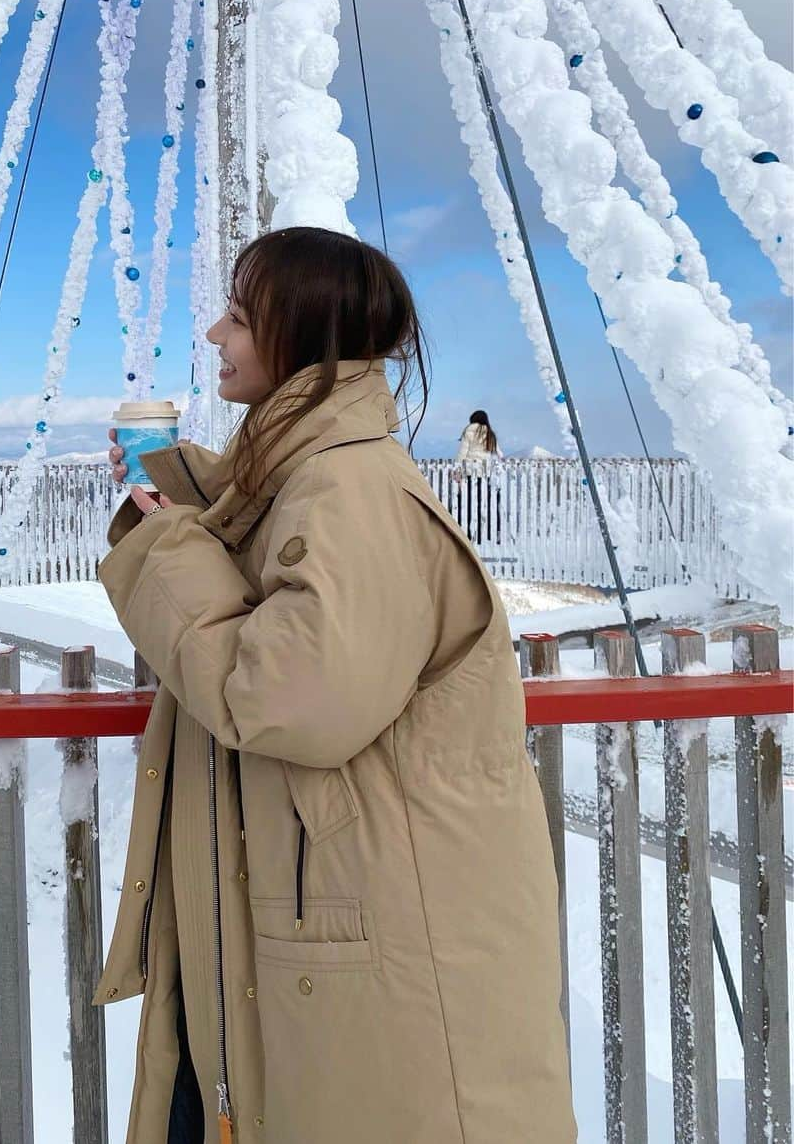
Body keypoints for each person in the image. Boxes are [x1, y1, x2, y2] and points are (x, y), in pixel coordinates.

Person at [99, 227, 575, 1142]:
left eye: (238, 316)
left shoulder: (351, 489)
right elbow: (274, 557)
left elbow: (286, 698)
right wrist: (183, 489)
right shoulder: (318, 478)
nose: (213, 335)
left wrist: (162, 544)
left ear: (300, 336)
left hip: (385, 965)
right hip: (331, 945)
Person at [453, 409, 503, 544]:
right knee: (484, 504)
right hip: (485, 473)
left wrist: (457, 469)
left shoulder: (468, 431)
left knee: (468, 503)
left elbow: (463, 452)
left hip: (470, 472)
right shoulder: (490, 433)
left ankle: (468, 532)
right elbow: (499, 454)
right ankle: (486, 534)